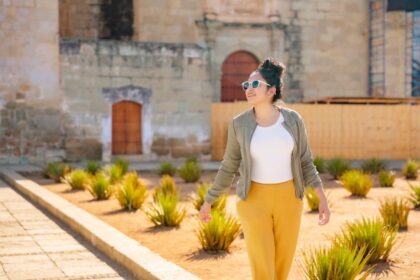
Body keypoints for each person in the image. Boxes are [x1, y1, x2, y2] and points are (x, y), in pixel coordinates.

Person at [199, 57, 330, 280]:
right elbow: (229, 165)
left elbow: (305, 161)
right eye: (247, 85)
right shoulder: (239, 124)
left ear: (272, 90)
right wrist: (209, 200)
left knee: (281, 265)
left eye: (255, 84)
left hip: (289, 199)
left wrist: (322, 198)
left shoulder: (293, 120)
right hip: (253, 200)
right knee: (263, 266)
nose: (249, 89)